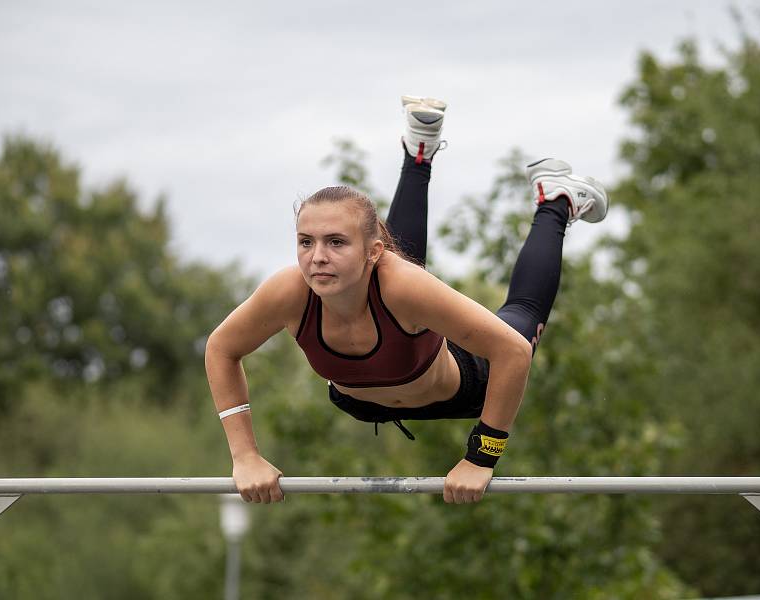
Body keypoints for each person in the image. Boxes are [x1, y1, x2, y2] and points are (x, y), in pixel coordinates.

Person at [205, 95, 609, 505]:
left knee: (518, 316)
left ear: (371, 251)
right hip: (361, 403)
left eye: (336, 242)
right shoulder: (289, 292)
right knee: (396, 282)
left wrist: (482, 456)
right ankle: (419, 149)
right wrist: (245, 456)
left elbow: (514, 353)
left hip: (461, 389)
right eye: (306, 241)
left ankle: (555, 200)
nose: (317, 256)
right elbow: (221, 348)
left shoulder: (400, 284)